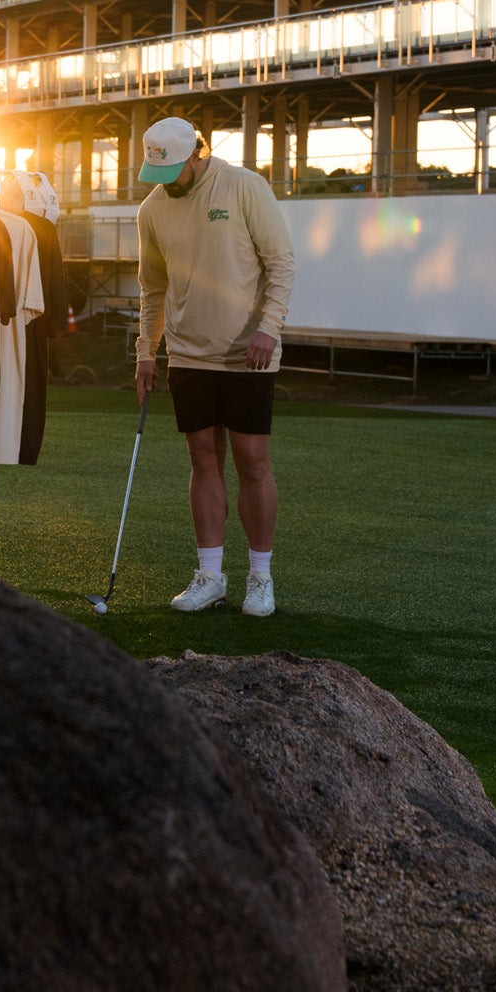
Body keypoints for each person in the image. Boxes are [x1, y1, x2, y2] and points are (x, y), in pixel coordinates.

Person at [133, 115, 295, 616]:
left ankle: (260, 579)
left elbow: (281, 262)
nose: (165, 184)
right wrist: (145, 349)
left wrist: (269, 327)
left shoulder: (245, 186)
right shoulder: (152, 210)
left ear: (197, 154)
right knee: (203, 461)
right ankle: (210, 575)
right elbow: (152, 289)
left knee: (251, 463)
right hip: (187, 354)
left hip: (250, 352)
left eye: (174, 171)